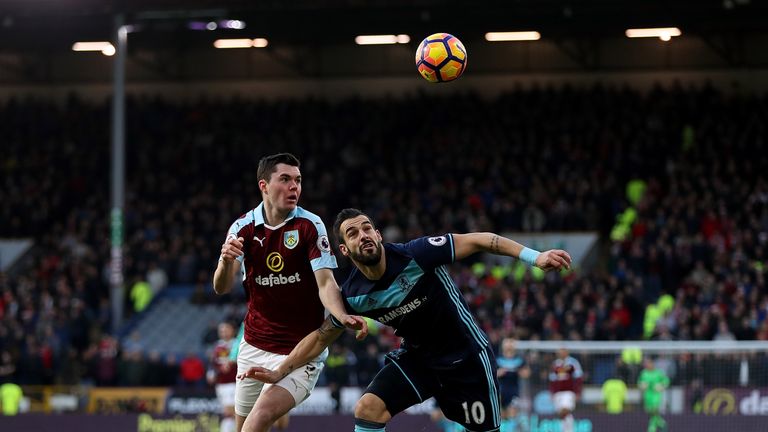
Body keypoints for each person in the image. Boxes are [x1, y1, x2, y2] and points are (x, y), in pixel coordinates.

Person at [239, 208, 571, 432]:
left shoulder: (418, 254)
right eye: (353, 233)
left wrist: (535, 257)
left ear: (379, 234)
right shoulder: (352, 295)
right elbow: (321, 336)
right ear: (344, 249)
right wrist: (280, 371)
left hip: (467, 358)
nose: (363, 235)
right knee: (367, 409)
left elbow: (482, 241)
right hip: (419, 359)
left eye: (367, 228)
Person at [213, 153, 367, 432]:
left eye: (297, 180)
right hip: (254, 345)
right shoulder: (242, 228)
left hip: (301, 350)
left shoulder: (310, 225)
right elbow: (221, 287)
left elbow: (325, 283)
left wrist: (341, 314)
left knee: (258, 421)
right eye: (284, 180)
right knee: (242, 428)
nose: (294, 187)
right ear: (264, 186)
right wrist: (225, 261)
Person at [207, 321, 238, 432]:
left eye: (226, 330)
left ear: (232, 330)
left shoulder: (237, 345)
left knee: (232, 411)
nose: (223, 333)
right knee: (230, 412)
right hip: (222, 384)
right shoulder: (217, 346)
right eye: (221, 331)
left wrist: (233, 363)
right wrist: (210, 374)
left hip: (237, 382)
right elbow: (213, 364)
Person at [548, 348, 583, 432]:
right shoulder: (555, 364)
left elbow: (578, 377)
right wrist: (552, 392)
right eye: (559, 352)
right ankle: (566, 429)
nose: (561, 353)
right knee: (561, 413)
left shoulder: (573, 363)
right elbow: (552, 379)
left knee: (565, 410)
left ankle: (569, 430)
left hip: (569, 391)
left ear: (567, 352)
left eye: (563, 352)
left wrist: (578, 391)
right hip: (558, 392)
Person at [496, 338, 530, 422]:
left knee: (512, 414)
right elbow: (491, 374)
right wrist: (499, 372)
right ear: (503, 346)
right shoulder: (497, 359)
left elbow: (527, 373)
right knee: (501, 415)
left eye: (511, 344)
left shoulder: (519, 360)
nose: (509, 346)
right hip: (500, 391)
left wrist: (520, 372)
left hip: (514, 391)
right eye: (507, 344)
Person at [638, 357, 669, 432]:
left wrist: (661, 386)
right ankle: (662, 423)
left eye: (649, 363)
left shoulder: (658, 373)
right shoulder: (644, 373)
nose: (647, 365)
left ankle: (651, 429)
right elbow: (640, 383)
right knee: (651, 413)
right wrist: (642, 386)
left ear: (652, 364)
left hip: (656, 395)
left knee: (655, 410)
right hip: (647, 396)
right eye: (646, 363)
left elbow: (666, 381)